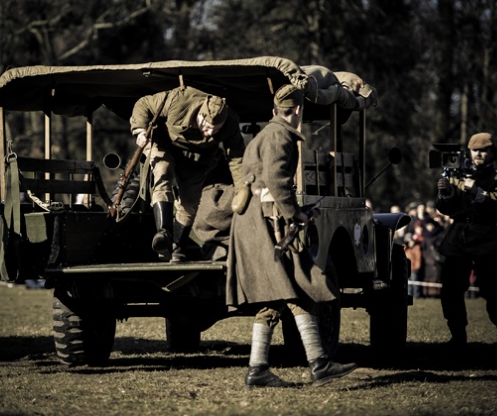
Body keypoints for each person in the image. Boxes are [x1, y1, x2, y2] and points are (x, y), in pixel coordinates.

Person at [226, 84, 356, 388]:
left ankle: (263, 368)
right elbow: (276, 178)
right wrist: (293, 213)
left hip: (260, 222)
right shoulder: (279, 135)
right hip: (269, 223)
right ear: (298, 110)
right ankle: (318, 364)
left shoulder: (265, 134)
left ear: (275, 111)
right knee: (298, 287)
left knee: (283, 293)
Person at [130, 86, 245, 262]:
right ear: (200, 114)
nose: (209, 133)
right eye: (206, 127)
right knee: (163, 171)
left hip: (197, 157)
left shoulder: (230, 123)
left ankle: (176, 246)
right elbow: (143, 103)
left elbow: (236, 158)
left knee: (191, 202)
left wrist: (241, 189)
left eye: (215, 130)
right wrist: (139, 129)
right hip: (163, 142)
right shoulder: (180, 99)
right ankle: (163, 233)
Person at [435, 132, 497, 349]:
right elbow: (446, 209)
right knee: (451, 289)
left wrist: (478, 191)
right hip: (458, 237)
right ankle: (458, 337)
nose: (479, 154)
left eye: (483, 150)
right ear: (469, 152)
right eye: (475, 150)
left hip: (485, 236)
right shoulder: (455, 176)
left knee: (491, 289)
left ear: (492, 152)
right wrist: (444, 194)